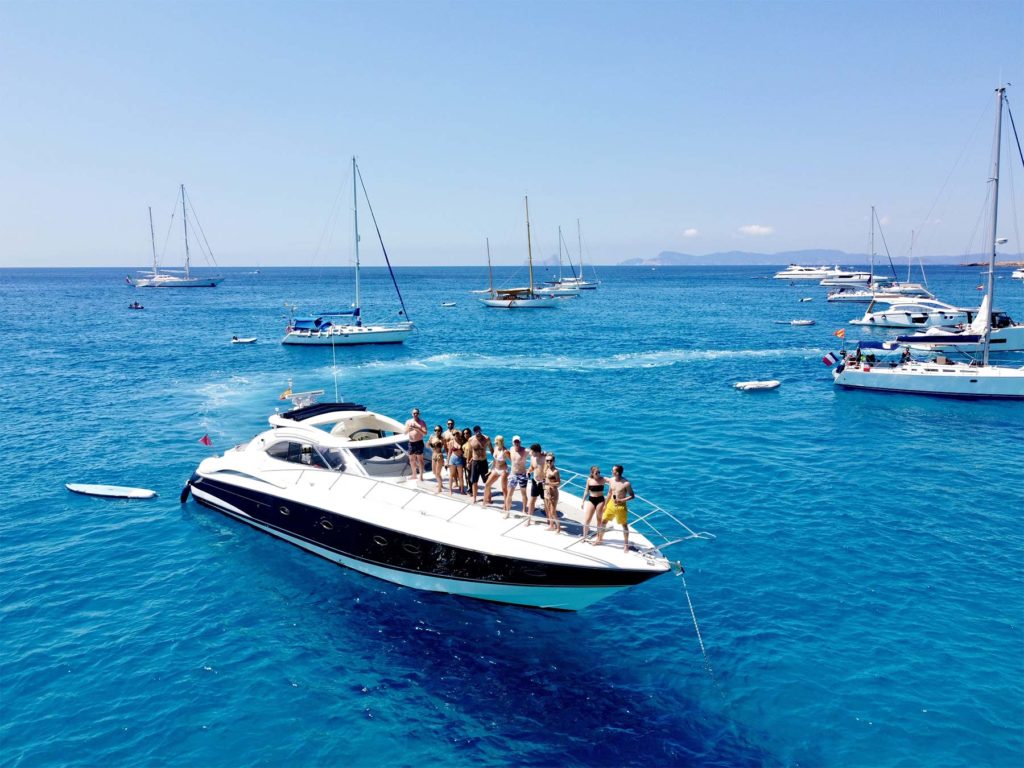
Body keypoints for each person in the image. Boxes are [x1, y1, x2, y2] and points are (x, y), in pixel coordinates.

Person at [597, 465, 634, 551]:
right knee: (604, 521)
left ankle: (626, 545)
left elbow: (632, 496)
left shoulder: (626, 483)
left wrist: (621, 500)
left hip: (621, 506)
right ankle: (600, 538)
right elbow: (610, 493)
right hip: (611, 504)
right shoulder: (611, 480)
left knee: (624, 525)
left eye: (612, 470)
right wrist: (605, 505)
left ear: (617, 472)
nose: (611, 471)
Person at [503, 436, 528, 519]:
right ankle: (507, 511)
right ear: (513, 442)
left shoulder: (525, 450)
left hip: (522, 474)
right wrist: (506, 454)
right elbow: (512, 460)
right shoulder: (511, 449)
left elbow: (534, 452)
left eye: (518, 442)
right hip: (513, 474)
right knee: (509, 494)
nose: (516, 443)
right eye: (515, 442)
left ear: (520, 442)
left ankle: (524, 510)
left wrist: (542, 453)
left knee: (523, 494)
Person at [580, 466, 608, 540]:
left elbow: (612, 481)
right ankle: (584, 536)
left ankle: (599, 537)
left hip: (600, 500)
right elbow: (586, 491)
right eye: (596, 473)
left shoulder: (603, 479)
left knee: (599, 520)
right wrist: (583, 501)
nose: (598, 474)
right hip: (591, 500)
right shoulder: (589, 480)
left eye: (599, 472)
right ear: (592, 473)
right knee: (587, 520)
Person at [482, 435, 509, 507]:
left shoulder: (505, 451)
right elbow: (494, 460)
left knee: (504, 489)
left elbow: (512, 460)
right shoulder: (495, 448)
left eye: (497, 442)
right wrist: (491, 469)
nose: (495, 443)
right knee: (487, 484)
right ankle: (485, 501)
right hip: (496, 469)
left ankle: (506, 505)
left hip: (503, 470)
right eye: (495, 442)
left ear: (501, 442)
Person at [404, 408, 428, 482]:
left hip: (419, 442)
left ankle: (421, 476)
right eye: (414, 413)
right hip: (411, 442)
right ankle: (414, 475)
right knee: (411, 460)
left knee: (420, 460)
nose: (415, 414)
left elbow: (425, 433)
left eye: (417, 413)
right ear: (412, 414)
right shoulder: (408, 422)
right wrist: (409, 429)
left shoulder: (422, 422)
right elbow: (405, 432)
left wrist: (417, 428)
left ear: (419, 414)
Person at [526, 443, 545, 525]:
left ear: (537, 452)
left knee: (546, 502)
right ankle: (528, 520)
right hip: (535, 481)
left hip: (544, 483)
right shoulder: (532, 458)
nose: (531, 453)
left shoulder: (545, 458)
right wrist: (528, 471)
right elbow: (532, 467)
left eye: (532, 451)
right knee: (532, 501)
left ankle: (549, 521)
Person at [543, 453, 562, 533]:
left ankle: (558, 527)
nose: (549, 462)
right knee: (548, 509)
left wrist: (549, 484)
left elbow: (558, 483)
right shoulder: (546, 469)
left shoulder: (555, 471)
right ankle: (551, 525)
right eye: (547, 461)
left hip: (553, 492)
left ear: (554, 461)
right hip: (547, 491)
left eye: (551, 461)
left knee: (553, 511)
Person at [446, 429, 466, 495]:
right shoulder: (451, 442)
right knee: (451, 475)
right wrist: (447, 462)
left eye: (457, 434)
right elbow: (449, 452)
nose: (456, 435)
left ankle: (462, 490)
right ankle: (450, 490)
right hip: (452, 459)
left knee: (460, 476)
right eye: (454, 434)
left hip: (459, 459)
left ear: (459, 434)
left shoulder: (462, 441)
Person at [428, 425, 446, 493]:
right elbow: (427, 446)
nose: (437, 431)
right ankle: (440, 484)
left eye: (438, 430)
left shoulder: (442, 439)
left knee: (438, 473)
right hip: (433, 455)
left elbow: (446, 449)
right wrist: (429, 441)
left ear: (441, 431)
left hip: (439, 455)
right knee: (434, 472)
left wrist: (447, 459)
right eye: (435, 430)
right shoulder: (432, 437)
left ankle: (440, 488)